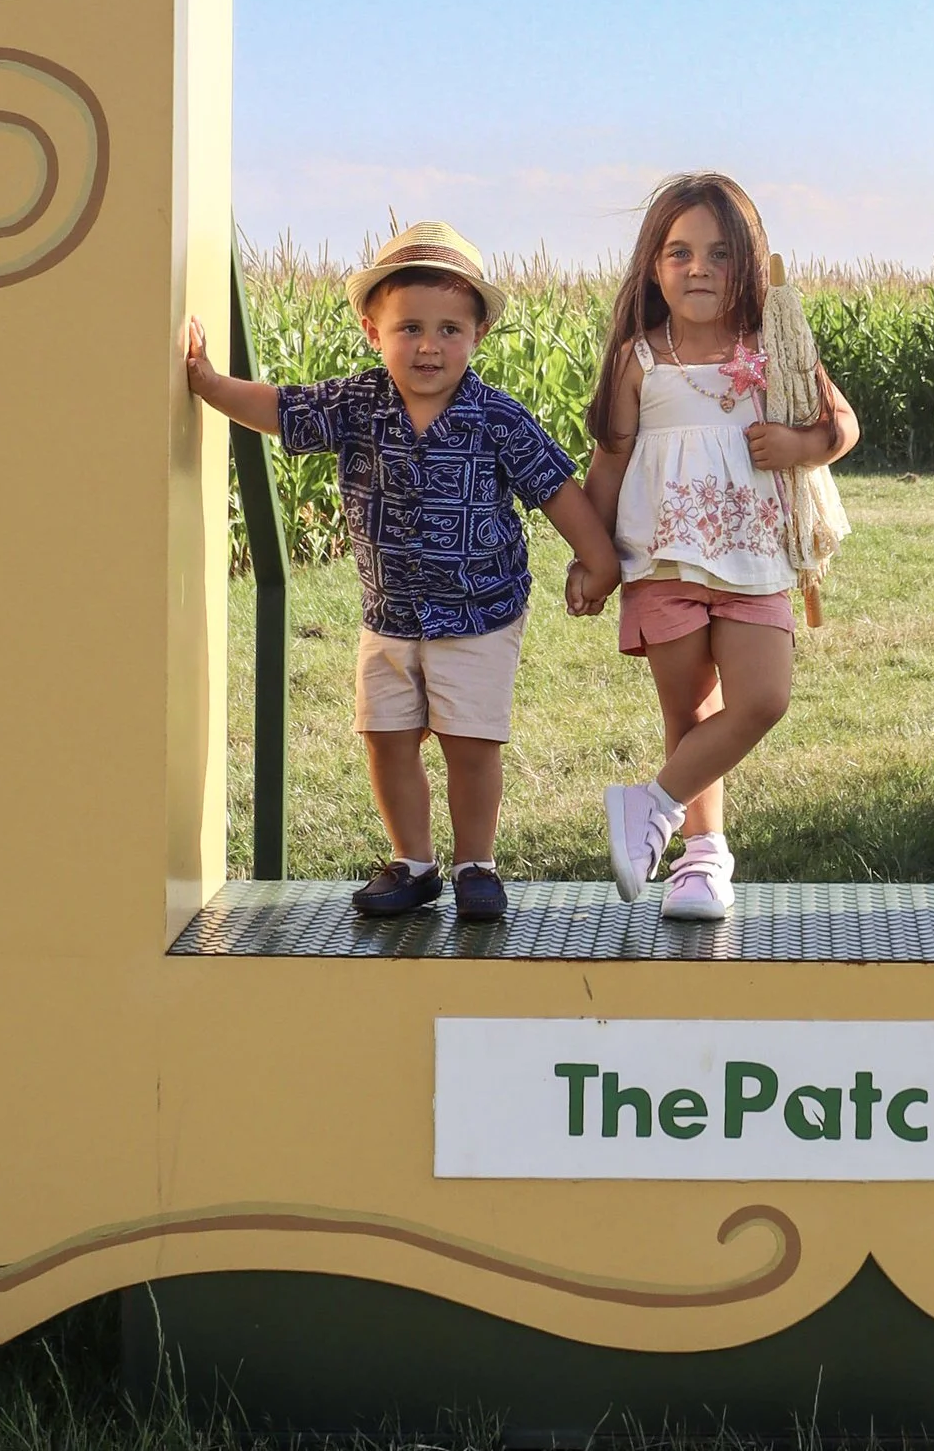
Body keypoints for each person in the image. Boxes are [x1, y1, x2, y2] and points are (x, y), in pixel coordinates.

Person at [185, 220, 619, 924]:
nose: (429, 346)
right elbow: (280, 409)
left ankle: (476, 863)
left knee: (469, 744)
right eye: (409, 327)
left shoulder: (497, 419)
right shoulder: (357, 405)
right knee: (385, 739)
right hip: (389, 616)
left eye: (450, 329)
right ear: (371, 331)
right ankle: (413, 863)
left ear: (477, 337)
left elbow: (555, 489)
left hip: (480, 614)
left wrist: (597, 562)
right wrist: (208, 384)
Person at [574, 174, 858, 919]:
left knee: (762, 699)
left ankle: (653, 806)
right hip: (663, 557)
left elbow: (842, 427)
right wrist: (593, 558)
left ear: (749, 263)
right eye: (680, 252)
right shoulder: (639, 359)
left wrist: (798, 441)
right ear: (654, 266)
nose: (699, 268)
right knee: (691, 715)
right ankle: (701, 861)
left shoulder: (771, 347)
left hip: (753, 552)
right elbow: (607, 464)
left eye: (720, 253)